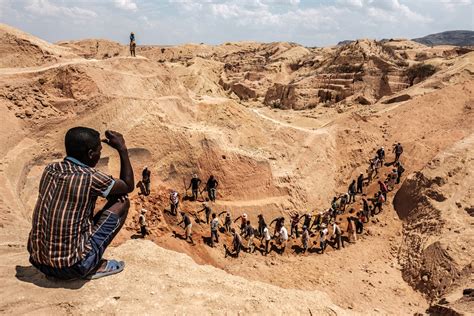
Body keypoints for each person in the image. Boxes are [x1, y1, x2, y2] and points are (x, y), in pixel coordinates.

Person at [28, 128, 134, 280]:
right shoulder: (91, 178)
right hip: (72, 267)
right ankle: (92, 265)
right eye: (99, 151)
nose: (100, 154)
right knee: (121, 202)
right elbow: (128, 185)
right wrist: (122, 148)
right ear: (91, 154)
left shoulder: (50, 169)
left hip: (38, 261)